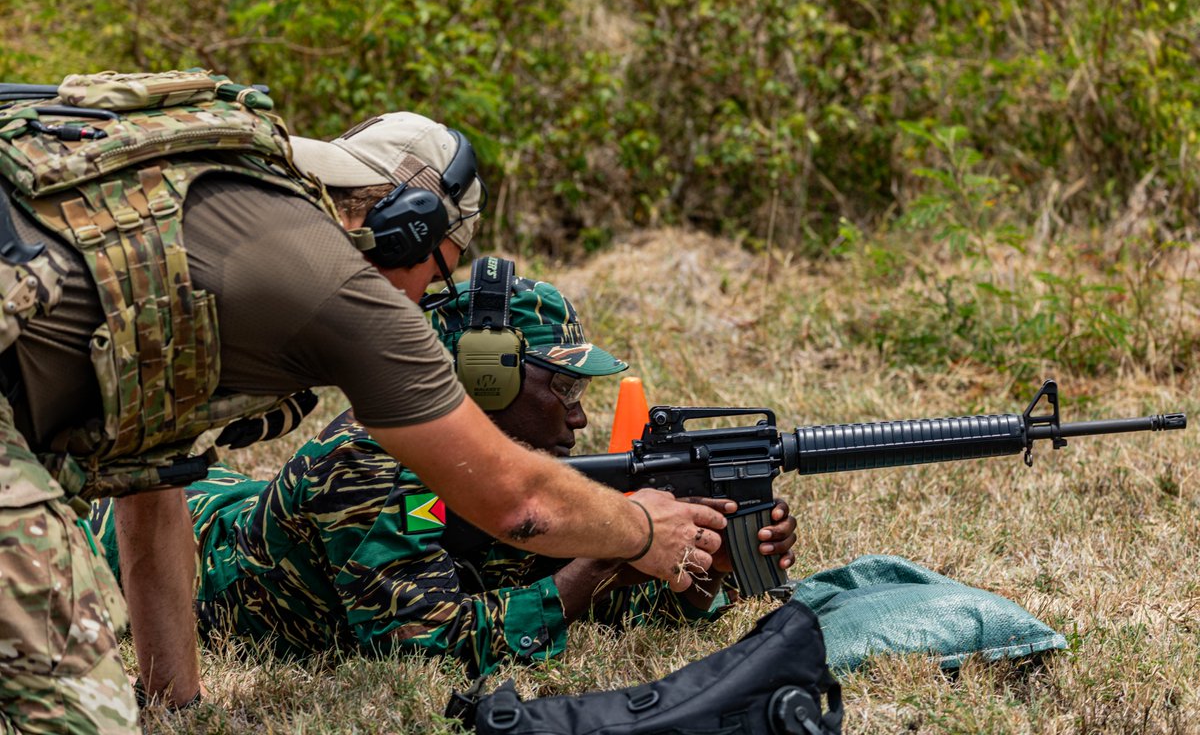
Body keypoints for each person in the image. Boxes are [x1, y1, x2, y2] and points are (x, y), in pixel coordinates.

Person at [0, 93, 726, 732]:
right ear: (410, 225)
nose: (424, 299)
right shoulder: (342, 292)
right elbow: (518, 503)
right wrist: (635, 532)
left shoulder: (237, 198)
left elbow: (156, 462)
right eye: (442, 262)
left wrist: (175, 706)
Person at [91, 267, 798, 677]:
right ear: (482, 378)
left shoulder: (501, 477)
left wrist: (701, 570)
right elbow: (428, 648)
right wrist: (599, 558)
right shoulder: (365, 465)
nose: (579, 420)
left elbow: (551, 595)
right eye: (563, 388)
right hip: (171, 543)